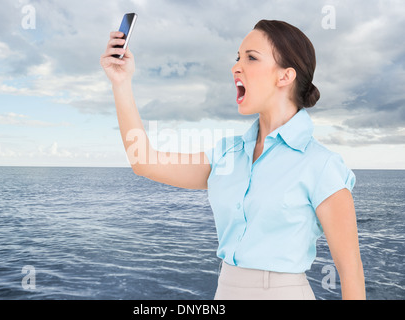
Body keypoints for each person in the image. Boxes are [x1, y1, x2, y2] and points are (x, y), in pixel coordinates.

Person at [100, 19, 366, 300]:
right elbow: (144, 162)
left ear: (285, 76)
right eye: (237, 57)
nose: (235, 67)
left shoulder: (321, 165)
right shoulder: (227, 155)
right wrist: (121, 82)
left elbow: (350, 274)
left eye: (251, 58)